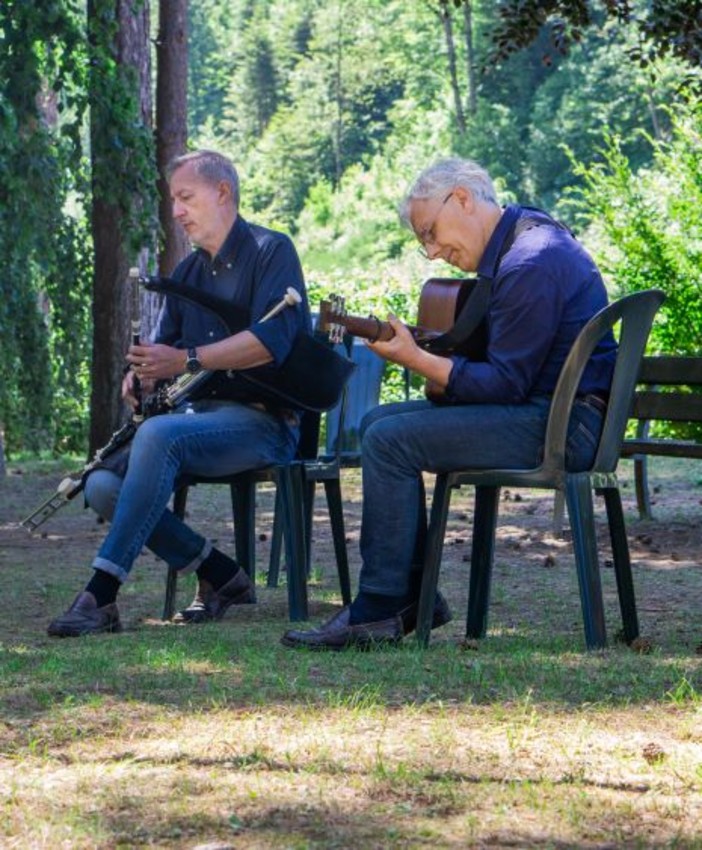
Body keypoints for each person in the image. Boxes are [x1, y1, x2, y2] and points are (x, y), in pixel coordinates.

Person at [281, 156, 617, 651]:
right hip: (548, 412)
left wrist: (416, 358)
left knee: (390, 438)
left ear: (461, 198)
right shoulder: (523, 238)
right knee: (378, 424)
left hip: (563, 426)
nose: (433, 252)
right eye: (423, 242)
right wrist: (422, 350)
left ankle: (381, 605)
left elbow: (504, 383)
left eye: (431, 233)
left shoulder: (530, 260)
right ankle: (410, 596)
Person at [48, 149, 312, 637]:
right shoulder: (188, 273)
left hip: (265, 424)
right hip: (196, 421)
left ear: (222, 193)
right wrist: (145, 376)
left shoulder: (272, 251)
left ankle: (100, 595)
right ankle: (220, 574)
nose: (176, 211)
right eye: (174, 200)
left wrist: (187, 361)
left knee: (160, 435)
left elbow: (270, 344)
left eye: (185, 197)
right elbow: (166, 351)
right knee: (102, 486)